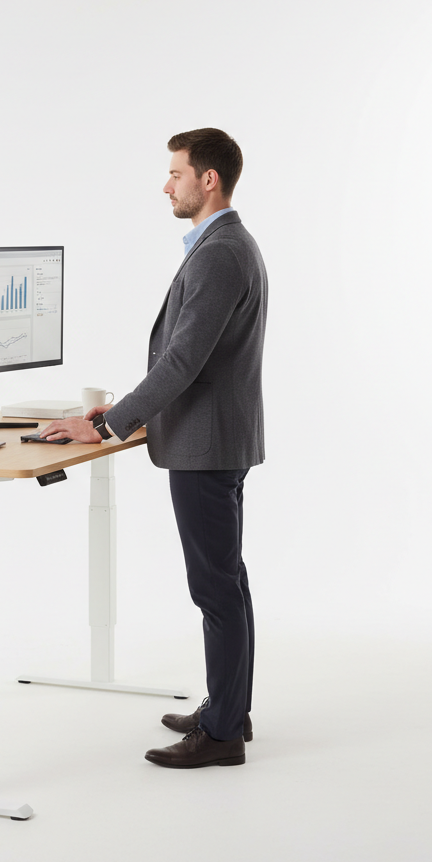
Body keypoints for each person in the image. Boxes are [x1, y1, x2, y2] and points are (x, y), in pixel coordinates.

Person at [41, 127, 267, 769]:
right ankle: (231, 711)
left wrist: (107, 426)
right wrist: (125, 413)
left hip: (205, 447)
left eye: (175, 173)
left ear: (209, 180)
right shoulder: (220, 245)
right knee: (228, 583)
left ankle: (222, 735)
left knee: (216, 589)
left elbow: (183, 361)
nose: (166, 184)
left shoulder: (222, 251)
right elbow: (192, 358)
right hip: (211, 439)